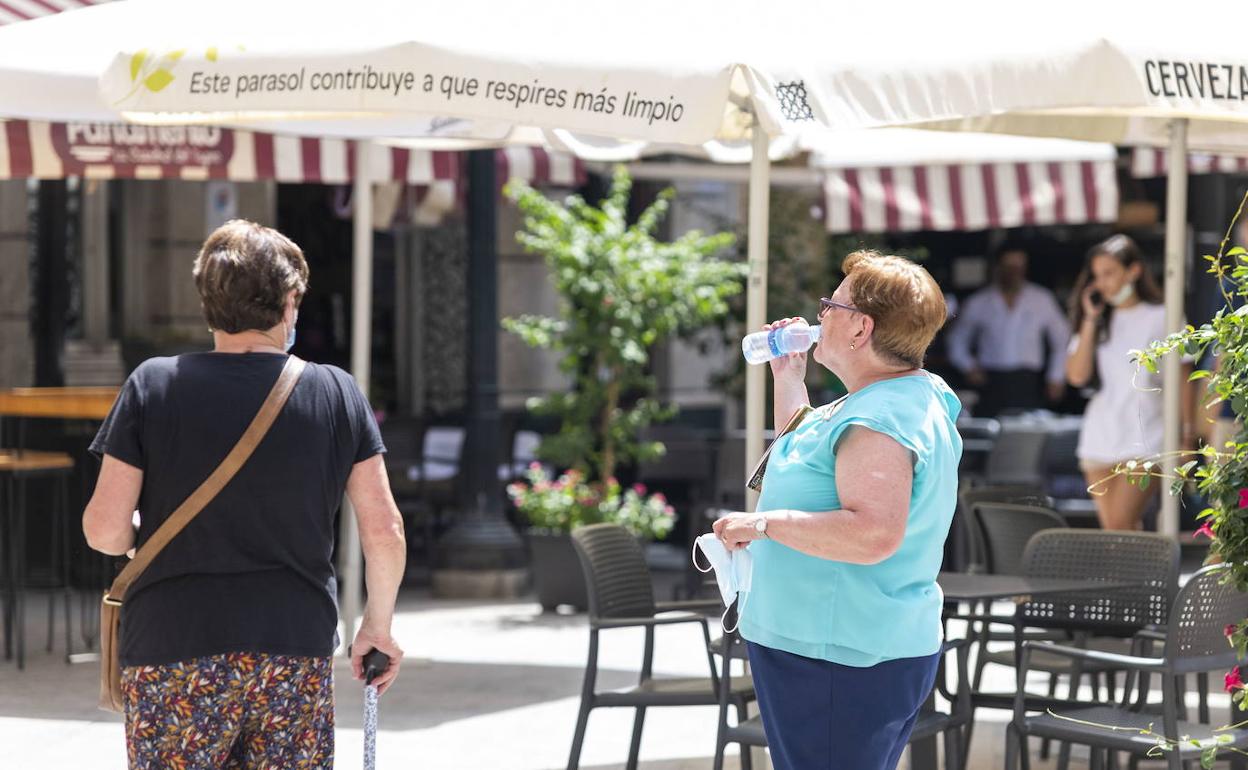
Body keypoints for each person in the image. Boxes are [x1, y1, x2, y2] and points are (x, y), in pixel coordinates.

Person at [82, 220, 407, 770]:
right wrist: (376, 629)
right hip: (291, 646)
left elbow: (103, 530)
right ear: (289, 302)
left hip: (173, 643)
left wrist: (144, 536)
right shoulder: (334, 391)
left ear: (209, 303)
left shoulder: (153, 384)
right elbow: (385, 531)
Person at [713, 250, 962, 770]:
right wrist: (788, 377)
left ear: (860, 328)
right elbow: (804, 462)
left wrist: (761, 524)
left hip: (837, 653)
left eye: (832, 303)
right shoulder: (899, 395)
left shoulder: (880, 414)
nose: (820, 313)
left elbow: (871, 534)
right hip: (837, 646)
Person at [1066, 234, 1192, 530]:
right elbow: (1076, 375)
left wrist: (1186, 437)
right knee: (1118, 532)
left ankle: (1141, 575)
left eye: (1109, 273)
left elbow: (1183, 377)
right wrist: (1089, 319)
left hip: (1147, 435)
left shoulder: (1163, 316)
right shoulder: (1098, 321)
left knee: (1120, 525)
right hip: (1100, 435)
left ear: (1133, 271)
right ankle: (1140, 576)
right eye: (1097, 275)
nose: (1102, 283)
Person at [946, 242, 1071, 416]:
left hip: (1028, 381)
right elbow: (957, 339)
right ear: (998, 267)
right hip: (991, 380)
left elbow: (1062, 338)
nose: (1014, 273)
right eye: (1009, 267)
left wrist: (1056, 377)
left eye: (1019, 267)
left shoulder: (1041, 299)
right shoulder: (980, 302)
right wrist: (968, 366)